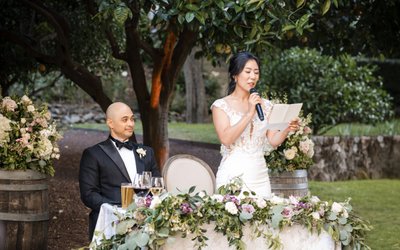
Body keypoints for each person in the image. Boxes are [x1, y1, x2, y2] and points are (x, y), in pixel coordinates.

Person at [211, 52, 299, 197]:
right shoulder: (220, 106)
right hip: (232, 176)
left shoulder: (266, 105)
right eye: (248, 71)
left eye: (256, 72)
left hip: (260, 177)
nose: (253, 76)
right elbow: (226, 139)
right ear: (235, 75)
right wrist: (249, 113)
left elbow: (273, 140)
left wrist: (286, 128)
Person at [79, 102, 161, 240]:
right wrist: (115, 211)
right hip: (109, 225)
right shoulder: (93, 154)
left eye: (132, 119)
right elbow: (88, 194)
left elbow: (157, 186)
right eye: (125, 120)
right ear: (110, 123)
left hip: (145, 225)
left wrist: (147, 209)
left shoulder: (147, 152)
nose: (130, 124)